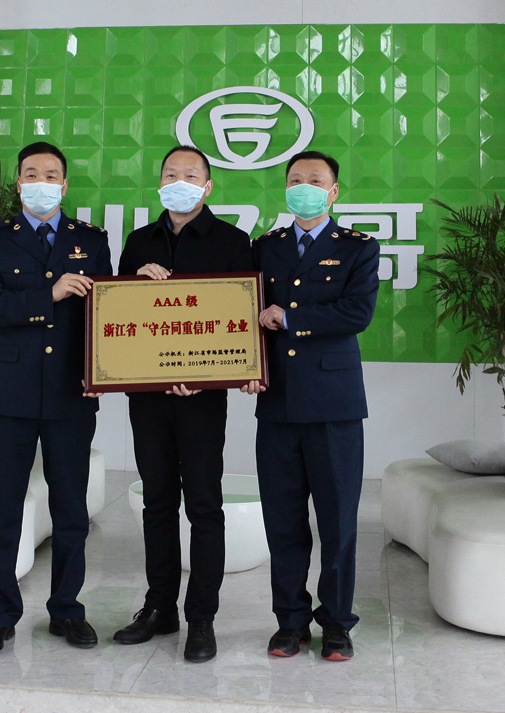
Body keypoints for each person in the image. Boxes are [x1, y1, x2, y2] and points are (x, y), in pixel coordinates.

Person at [0, 141, 112, 656]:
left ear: (65, 185)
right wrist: (47, 294)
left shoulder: (90, 239)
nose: (41, 182)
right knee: (2, 508)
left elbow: (106, 313)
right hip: (11, 392)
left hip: (72, 390)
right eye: (32, 174)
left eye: (51, 175)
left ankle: (67, 610)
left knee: (71, 509)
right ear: (19, 183)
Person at [112, 145, 253, 663]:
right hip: (147, 396)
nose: (180, 181)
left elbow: (240, 320)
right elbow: (118, 316)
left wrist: (205, 374)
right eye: (171, 173)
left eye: (191, 175)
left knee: (203, 505)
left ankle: (201, 618)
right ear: (160, 182)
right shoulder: (138, 242)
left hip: (202, 399)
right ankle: (159, 607)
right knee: (156, 502)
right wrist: (135, 283)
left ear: (208, 186)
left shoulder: (233, 242)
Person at [241, 150, 379, 662]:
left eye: (315, 181)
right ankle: (290, 621)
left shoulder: (358, 247)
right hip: (276, 401)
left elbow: (357, 312)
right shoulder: (266, 247)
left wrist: (291, 316)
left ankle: (337, 623)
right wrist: (245, 365)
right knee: (283, 521)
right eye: (296, 179)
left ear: (333, 192)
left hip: (333, 405)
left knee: (338, 521)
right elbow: (241, 310)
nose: (305, 187)